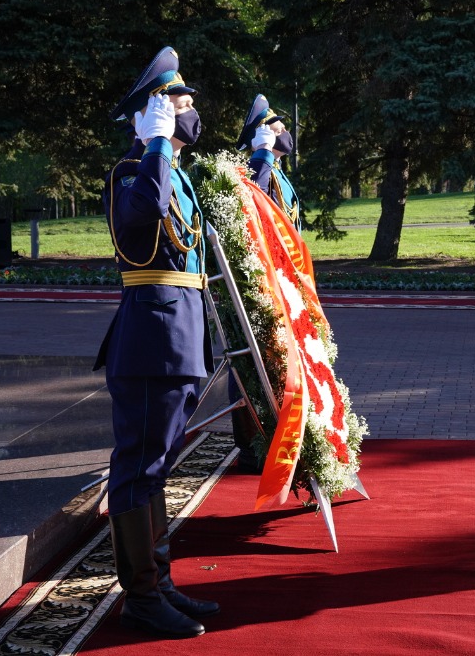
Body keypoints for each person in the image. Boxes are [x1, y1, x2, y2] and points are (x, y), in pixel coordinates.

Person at [94, 46, 219, 637]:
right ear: (151, 112)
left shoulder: (174, 172)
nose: (189, 110)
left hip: (180, 337)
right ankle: (140, 597)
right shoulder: (130, 173)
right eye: (178, 101)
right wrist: (156, 147)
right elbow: (145, 214)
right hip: (151, 340)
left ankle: (159, 580)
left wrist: (165, 152)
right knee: (138, 466)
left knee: (158, 466)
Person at [237, 94, 301, 229]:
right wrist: (264, 149)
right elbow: (256, 195)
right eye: (279, 131)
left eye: (284, 128)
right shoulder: (258, 169)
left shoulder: (277, 168)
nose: (285, 132)